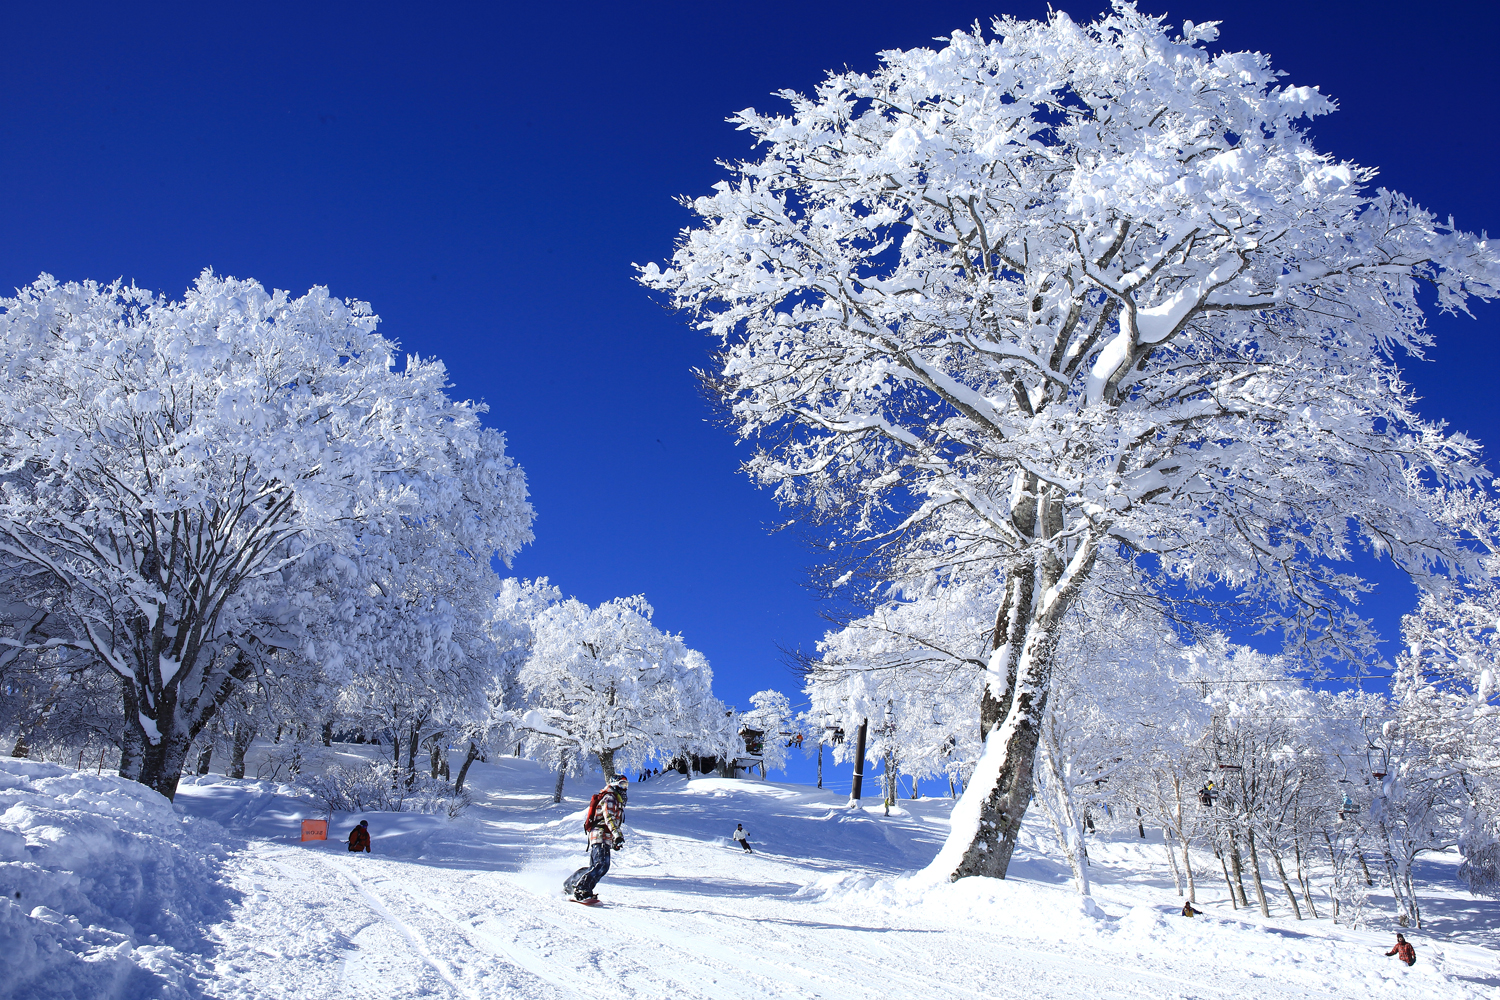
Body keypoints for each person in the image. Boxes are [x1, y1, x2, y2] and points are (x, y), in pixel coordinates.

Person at [571, 774, 628, 902]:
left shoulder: (615, 799)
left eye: (626, 785)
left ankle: (571, 884)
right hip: (600, 834)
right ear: (614, 785)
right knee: (602, 864)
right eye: (622, 784)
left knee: (596, 866)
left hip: (603, 836)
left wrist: (614, 841)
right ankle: (582, 889)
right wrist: (617, 835)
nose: (624, 788)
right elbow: (609, 818)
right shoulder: (610, 798)